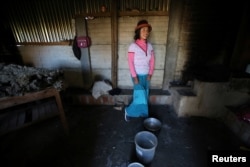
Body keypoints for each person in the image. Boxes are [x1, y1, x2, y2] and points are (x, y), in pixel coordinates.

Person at [124, 20, 155, 121]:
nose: (146, 32)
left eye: (147, 30)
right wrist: (134, 77)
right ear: (138, 32)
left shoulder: (150, 46)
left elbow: (152, 61)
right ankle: (128, 111)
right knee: (139, 97)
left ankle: (142, 113)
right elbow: (130, 62)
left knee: (144, 96)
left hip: (146, 76)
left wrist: (150, 73)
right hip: (137, 75)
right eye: (143, 30)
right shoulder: (133, 46)